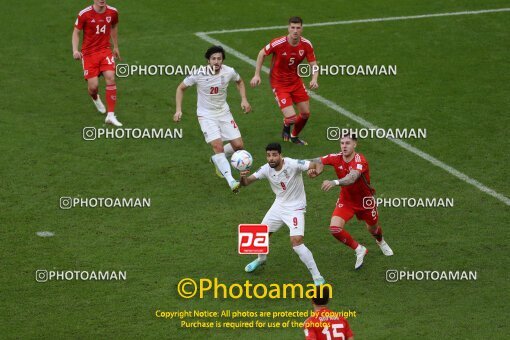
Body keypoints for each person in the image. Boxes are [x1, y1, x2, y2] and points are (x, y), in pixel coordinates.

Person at [240, 143, 325, 285]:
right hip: (279, 206)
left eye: (274, 155)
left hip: (295, 208)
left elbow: (317, 163)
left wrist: (316, 172)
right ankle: (261, 260)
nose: (271, 158)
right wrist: (243, 175)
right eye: (268, 155)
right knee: (260, 235)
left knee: (296, 242)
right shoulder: (266, 169)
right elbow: (246, 183)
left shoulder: (292, 164)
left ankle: (317, 276)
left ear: (281, 155)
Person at [308, 134, 393, 270]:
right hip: (346, 201)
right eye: (342, 143)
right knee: (334, 229)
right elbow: (315, 161)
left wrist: (334, 182)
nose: (344, 146)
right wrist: (313, 169)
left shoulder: (360, 160)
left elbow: (352, 178)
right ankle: (359, 249)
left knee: (373, 228)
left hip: (365, 202)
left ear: (355, 144)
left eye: (347, 143)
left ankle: (380, 241)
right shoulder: (336, 157)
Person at [173, 46, 251, 193]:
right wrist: (178, 110)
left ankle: (217, 160)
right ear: (208, 60)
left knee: (239, 146)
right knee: (218, 146)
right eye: (213, 59)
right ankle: (231, 181)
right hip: (206, 115)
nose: (216, 61)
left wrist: (244, 100)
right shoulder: (198, 73)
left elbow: (239, 81)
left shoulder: (229, 71)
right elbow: (180, 88)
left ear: (222, 60)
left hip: (224, 113)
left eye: (219, 59)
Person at [250, 16, 318, 145]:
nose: (295, 31)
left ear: (302, 29)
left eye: (298, 28)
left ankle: (294, 136)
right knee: (291, 117)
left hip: (296, 82)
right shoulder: (278, 43)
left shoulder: (306, 44)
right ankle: (286, 124)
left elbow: (313, 64)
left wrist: (314, 79)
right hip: (279, 84)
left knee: (305, 114)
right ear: (288, 28)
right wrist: (256, 75)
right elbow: (261, 53)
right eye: (292, 27)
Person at [72, 0, 122, 126]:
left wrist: (115, 47)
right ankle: (95, 97)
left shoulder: (113, 12)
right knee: (93, 87)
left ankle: (110, 115)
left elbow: (114, 26)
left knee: (111, 78)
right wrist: (75, 50)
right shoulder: (84, 14)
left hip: (105, 51)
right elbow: (76, 32)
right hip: (89, 54)